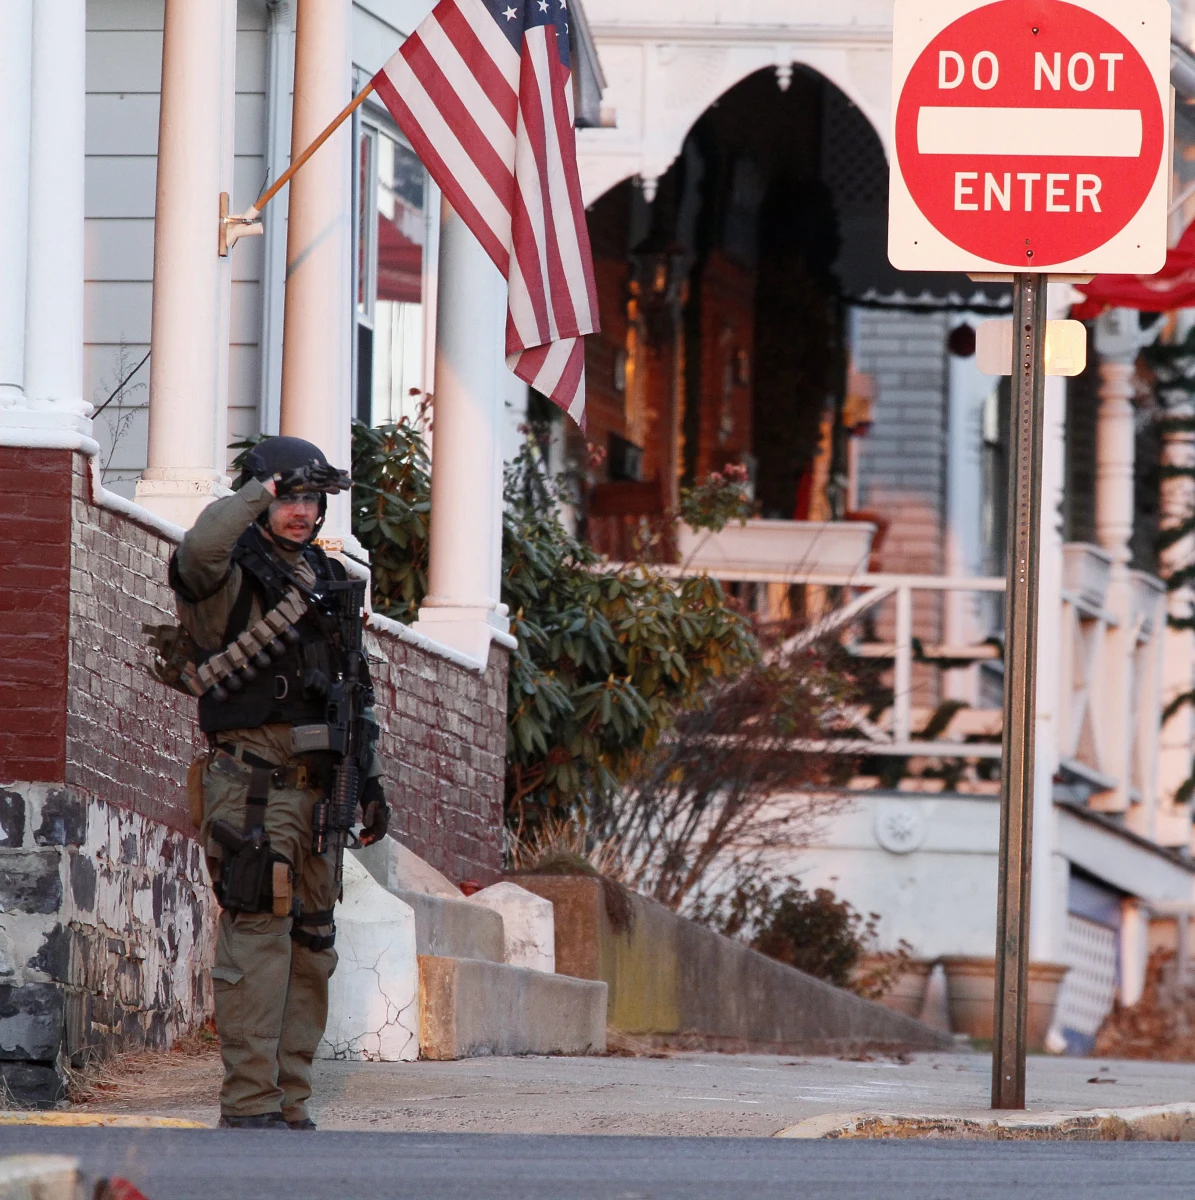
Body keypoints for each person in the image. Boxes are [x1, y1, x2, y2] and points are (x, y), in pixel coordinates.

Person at [169, 436, 390, 1130]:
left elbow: (355, 693)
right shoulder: (229, 577)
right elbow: (198, 552)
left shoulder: (330, 579)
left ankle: (291, 1099)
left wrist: (371, 780)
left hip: (324, 790)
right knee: (257, 934)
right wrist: (255, 489)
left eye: (309, 498)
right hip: (252, 786)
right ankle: (250, 1101)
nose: (300, 511)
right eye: (287, 497)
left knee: (314, 943)